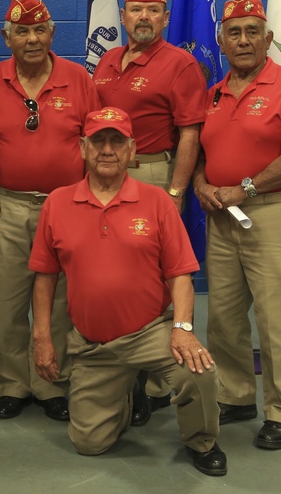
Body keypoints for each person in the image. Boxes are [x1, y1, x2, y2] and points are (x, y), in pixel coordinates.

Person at [29, 107, 226, 477]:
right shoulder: (57, 203)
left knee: (198, 372)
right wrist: (41, 336)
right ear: (83, 148)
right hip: (93, 343)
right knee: (89, 444)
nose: (107, 150)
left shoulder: (157, 203)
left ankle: (202, 441)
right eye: (98, 141)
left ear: (132, 150)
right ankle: (127, 390)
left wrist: (182, 329)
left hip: (150, 331)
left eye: (117, 141)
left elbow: (181, 274)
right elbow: (44, 276)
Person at [192, 0, 281, 450]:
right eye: (234, 32)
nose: (243, 40)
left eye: (252, 32)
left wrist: (243, 189)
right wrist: (203, 184)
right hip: (222, 219)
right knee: (224, 319)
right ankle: (237, 395)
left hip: (274, 216)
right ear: (221, 40)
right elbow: (203, 154)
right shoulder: (215, 92)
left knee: (278, 321)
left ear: (267, 39)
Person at [0, 0, 99, 421]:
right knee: (5, 302)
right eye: (21, 31)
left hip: (66, 209)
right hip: (4, 207)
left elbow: (98, 146)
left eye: (39, 30)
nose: (32, 39)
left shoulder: (78, 79)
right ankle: (12, 384)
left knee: (60, 302)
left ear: (52, 33)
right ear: (6, 37)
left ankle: (51, 383)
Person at [92, 0, 208, 423]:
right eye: (135, 10)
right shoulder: (107, 60)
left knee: (156, 279)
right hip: (105, 177)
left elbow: (190, 134)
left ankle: (156, 385)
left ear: (164, 17)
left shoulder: (179, 65)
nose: (143, 17)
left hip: (155, 175)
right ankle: (123, 375)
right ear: (122, 16)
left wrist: (175, 192)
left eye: (153, 11)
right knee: (114, 274)